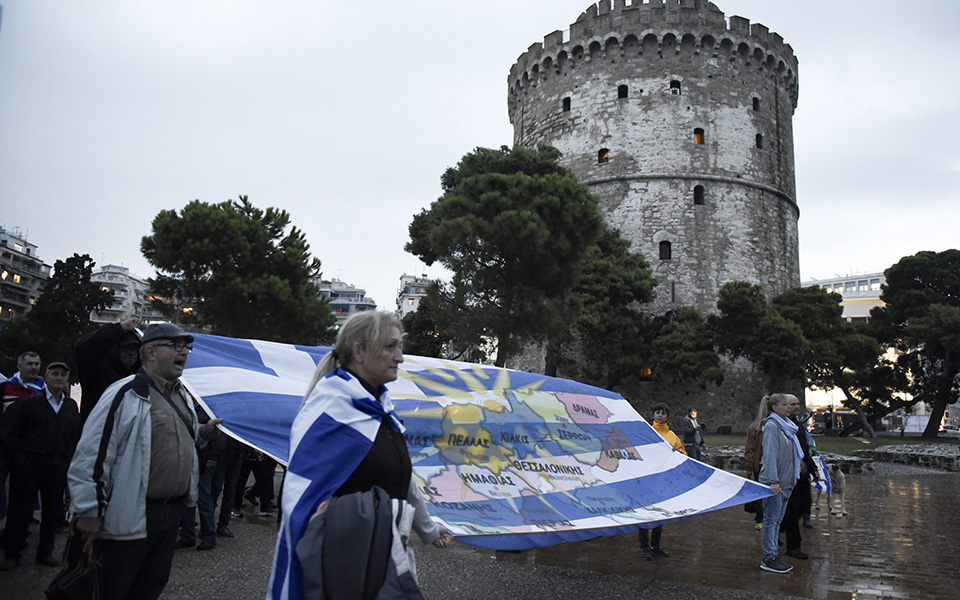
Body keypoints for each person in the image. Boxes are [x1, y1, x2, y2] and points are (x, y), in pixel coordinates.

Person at [268, 311, 452, 600]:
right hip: (345, 565)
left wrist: (428, 529)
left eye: (400, 346)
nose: (400, 357)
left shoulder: (379, 408)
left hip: (383, 556)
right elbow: (303, 497)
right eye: (391, 346)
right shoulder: (330, 409)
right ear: (359, 351)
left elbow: (400, 476)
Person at [68, 323, 222, 600]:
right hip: (133, 513)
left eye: (186, 347)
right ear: (150, 352)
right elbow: (91, 455)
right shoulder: (123, 393)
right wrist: (89, 511)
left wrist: (203, 434)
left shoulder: (182, 396)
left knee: (151, 585)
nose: (184, 353)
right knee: (114, 587)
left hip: (171, 514)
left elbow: (176, 440)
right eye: (175, 346)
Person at [0, 361, 79, 570]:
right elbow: (9, 430)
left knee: (52, 512)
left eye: (63, 374)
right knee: (20, 511)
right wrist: (19, 458)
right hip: (28, 467)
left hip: (56, 467)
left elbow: (75, 436)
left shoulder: (70, 406)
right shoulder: (30, 403)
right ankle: (12, 554)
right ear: (46, 377)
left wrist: (68, 459)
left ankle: (45, 553)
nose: (59, 378)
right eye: (55, 374)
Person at [757, 393, 802, 574]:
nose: (789, 408)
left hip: (787, 482)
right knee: (770, 520)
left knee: (776, 520)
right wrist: (773, 481)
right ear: (775, 408)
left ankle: (773, 554)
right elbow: (769, 455)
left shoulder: (788, 427)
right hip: (777, 484)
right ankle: (769, 557)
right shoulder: (772, 426)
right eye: (786, 405)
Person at [0, 352, 45, 526]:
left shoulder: (43, 390)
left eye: (37, 364)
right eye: (29, 364)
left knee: (24, 492)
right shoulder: (6, 388)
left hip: (29, 450)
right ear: (19, 366)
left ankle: (17, 530)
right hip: (4, 447)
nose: (34, 367)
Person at [638, 402, 687, 561]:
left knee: (660, 513)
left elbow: (683, 455)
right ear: (653, 414)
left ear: (667, 416)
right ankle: (644, 546)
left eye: (663, 413)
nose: (660, 415)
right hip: (647, 479)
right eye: (657, 412)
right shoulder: (647, 432)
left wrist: (676, 453)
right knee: (645, 514)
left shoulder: (672, 436)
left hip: (663, 481)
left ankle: (655, 545)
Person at [74, 316, 142, 425]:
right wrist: (120, 328)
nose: (131, 353)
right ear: (116, 351)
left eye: (135, 349)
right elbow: (84, 349)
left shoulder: (138, 380)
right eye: (127, 348)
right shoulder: (98, 374)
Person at [780, 408, 819, 560]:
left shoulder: (797, 426)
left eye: (797, 404)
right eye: (792, 404)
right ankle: (793, 544)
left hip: (801, 474)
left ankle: (783, 530)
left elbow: (805, 449)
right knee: (792, 509)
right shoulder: (778, 426)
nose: (796, 407)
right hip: (788, 474)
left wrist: (812, 468)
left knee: (803, 505)